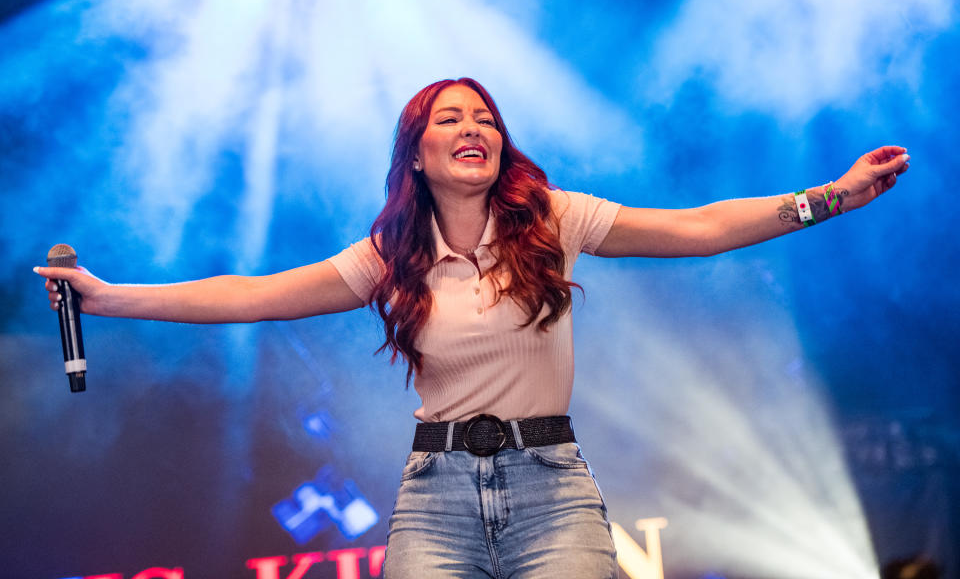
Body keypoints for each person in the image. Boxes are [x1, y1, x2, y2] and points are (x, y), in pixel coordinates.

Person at [35, 77, 910, 578]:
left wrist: (830, 197)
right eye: (449, 119)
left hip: (550, 487)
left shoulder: (553, 221)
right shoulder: (391, 255)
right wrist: (109, 299)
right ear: (417, 154)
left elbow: (700, 226)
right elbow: (252, 295)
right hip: (437, 496)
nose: (473, 127)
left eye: (484, 118)